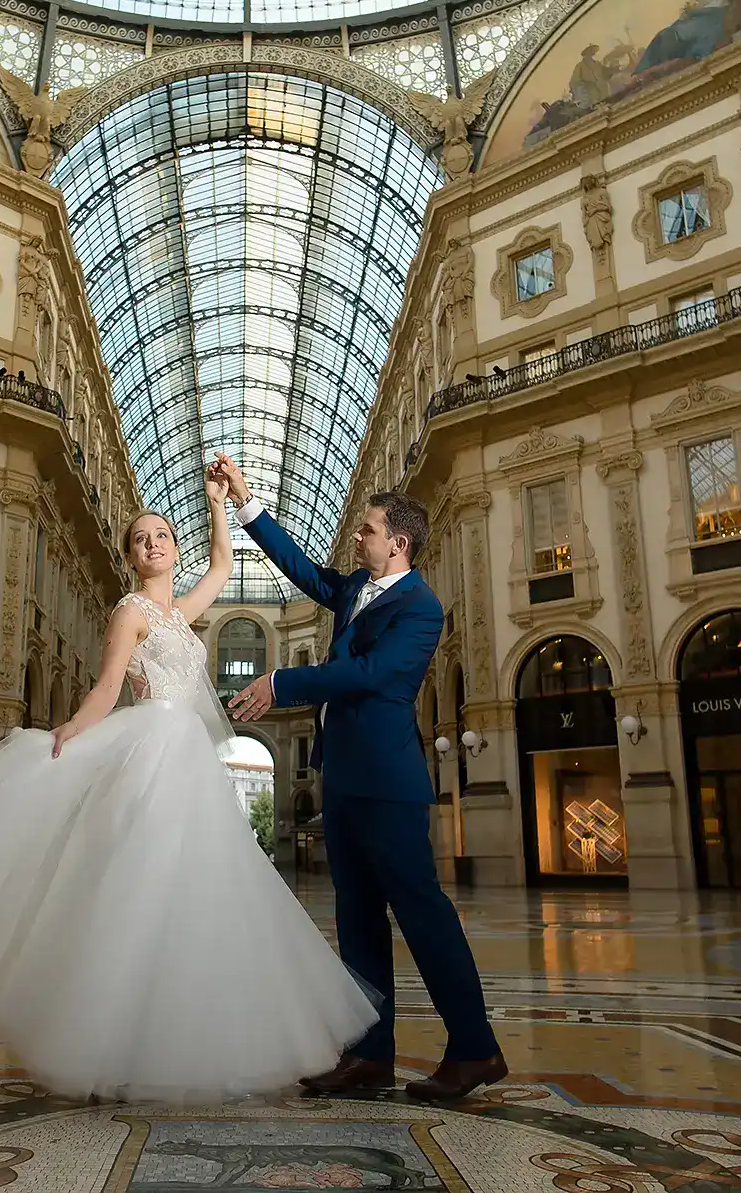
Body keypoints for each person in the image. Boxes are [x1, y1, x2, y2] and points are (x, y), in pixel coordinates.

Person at [0, 466, 375, 1102]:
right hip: (152, 750)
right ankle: (118, 1040)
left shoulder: (180, 613)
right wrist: (70, 729)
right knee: (141, 887)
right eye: (139, 539)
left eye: (161, 535)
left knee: (196, 891)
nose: (152, 543)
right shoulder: (129, 612)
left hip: (187, 761)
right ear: (128, 557)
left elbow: (221, 563)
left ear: (173, 548)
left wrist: (217, 503)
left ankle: (184, 1033)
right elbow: (106, 687)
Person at [214, 452, 506, 1102]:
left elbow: (373, 677)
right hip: (343, 779)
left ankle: (475, 1048)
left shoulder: (421, 610)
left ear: (398, 543)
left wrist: (283, 681)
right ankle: (369, 1054)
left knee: (423, 915)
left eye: (367, 530)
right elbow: (301, 569)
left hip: (389, 784)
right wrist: (244, 501)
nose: (356, 536)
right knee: (358, 924)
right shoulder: (352, 591)